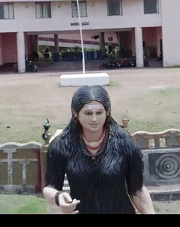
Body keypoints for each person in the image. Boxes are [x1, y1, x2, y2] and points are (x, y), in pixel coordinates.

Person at [43, 85, 155, 214]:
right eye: (88, 113)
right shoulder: (61, 145)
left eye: (99, 113)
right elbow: (49, 187)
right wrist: (58, 197)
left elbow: (137, 189)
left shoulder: (125, 143)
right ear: (75, 113)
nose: (94, 119)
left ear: (107, 112)